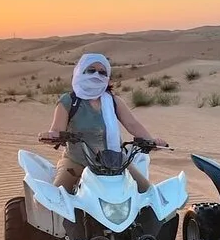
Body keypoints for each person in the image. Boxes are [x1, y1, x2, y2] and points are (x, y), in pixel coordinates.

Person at [39, 53, 167, 194]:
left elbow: (132, 124)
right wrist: (51, 136)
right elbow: (57, 130)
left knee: (148, 193)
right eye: (91, 70)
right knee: (56, 196)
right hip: (77, 162)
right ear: (80, 71)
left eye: (102, 72)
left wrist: (152, 141)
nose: (96, 75)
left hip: (115, 163)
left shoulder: (113, 101)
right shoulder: (69, 101)